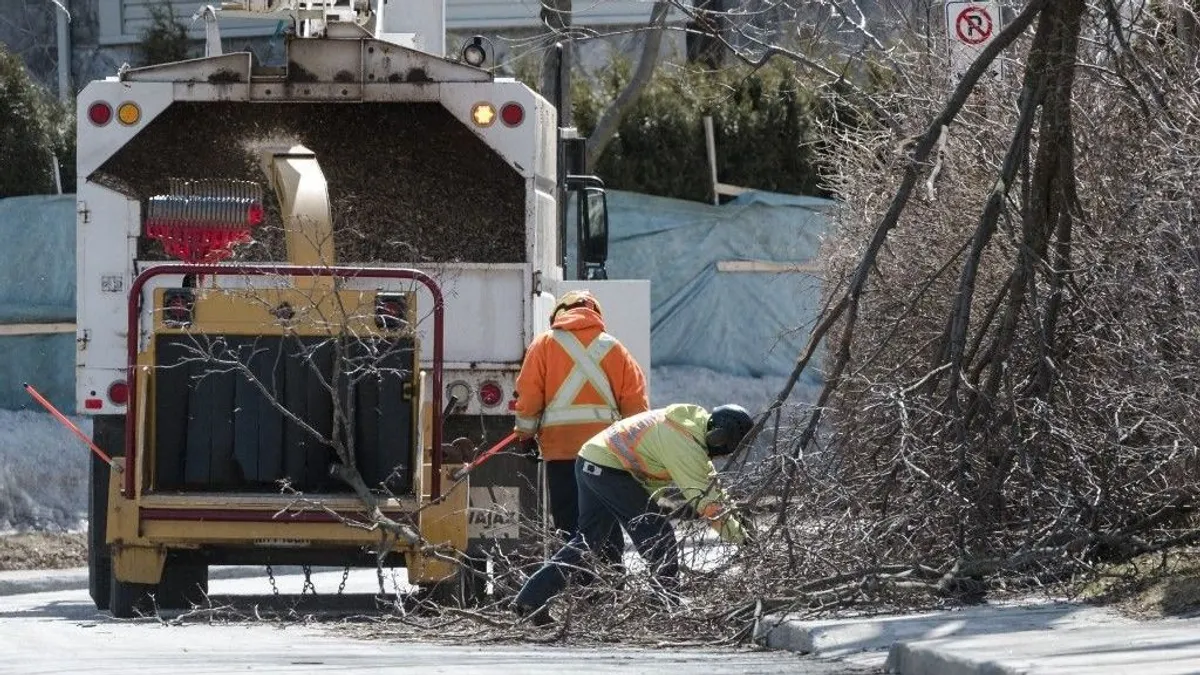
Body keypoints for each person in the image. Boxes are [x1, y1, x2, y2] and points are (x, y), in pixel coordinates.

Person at [512, 403, 755, 624]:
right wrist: (742, 539)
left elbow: (712, 486)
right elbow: (707, 503)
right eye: (728, 449)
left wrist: (739, 519)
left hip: (592, 460)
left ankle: (531, 598)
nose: (725, 455)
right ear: (721, 437)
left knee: (587, 541)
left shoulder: (690, 429)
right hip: (609, 468)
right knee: (659, 536)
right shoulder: (684, 444)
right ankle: (663, 610)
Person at [513, 290, 649, 538]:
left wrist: (525, 435)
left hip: (561, 452)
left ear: (559, 314)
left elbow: (529, 396)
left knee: (570, 525)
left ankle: (575, 574)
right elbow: (635, 405)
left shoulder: (544, 345)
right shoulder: (615, 349)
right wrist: (634, 453)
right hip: (605, 454)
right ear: (596, 314)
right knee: (604, 523)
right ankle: (611, 574)